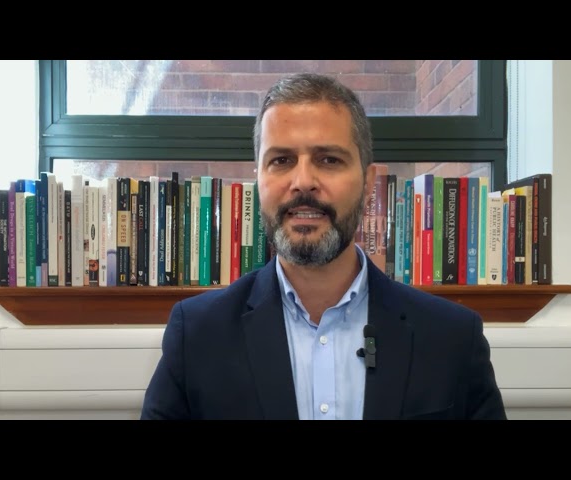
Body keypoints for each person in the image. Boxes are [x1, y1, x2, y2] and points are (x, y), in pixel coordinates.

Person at [140, 72, 507, 420]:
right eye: (281, 160)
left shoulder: (453, 338)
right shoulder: (197, 335)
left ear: (368, 183)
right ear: (259, 181)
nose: (303, 181)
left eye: (329, 159)